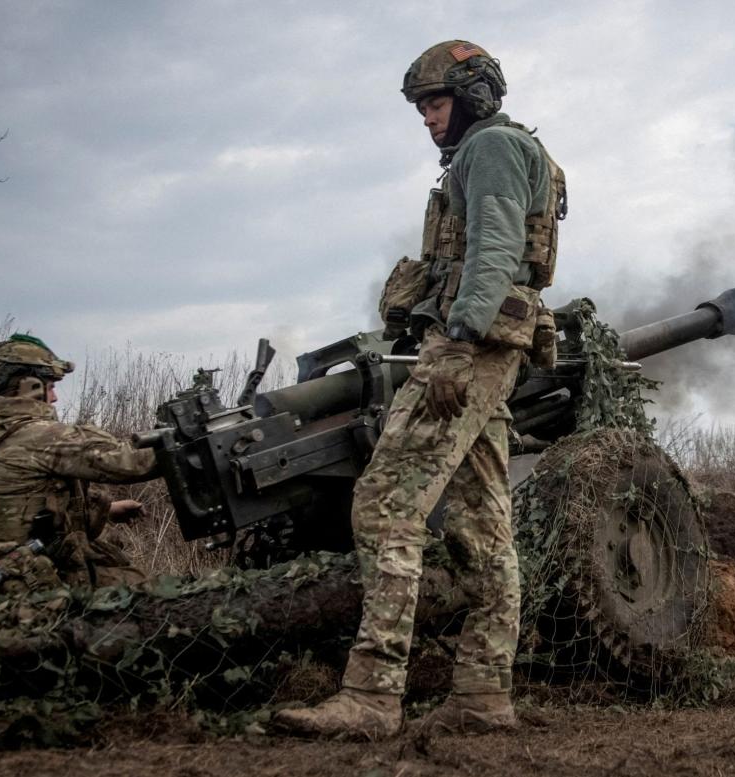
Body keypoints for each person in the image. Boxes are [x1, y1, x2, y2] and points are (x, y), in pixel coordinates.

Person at [275, 40, 566, 740]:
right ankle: (483, 694)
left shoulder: (491, 149)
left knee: (384, 504)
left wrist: (458, 344)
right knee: (483, 526)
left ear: (470, 96)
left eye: (435, 103)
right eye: (422, 107)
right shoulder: (505, 149)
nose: (428, 119)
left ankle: (372, 697)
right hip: (494, 346)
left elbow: (494, 248)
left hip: (471, 345)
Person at [0, 334, 160, 598]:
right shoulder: (35, 434)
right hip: (13, 581)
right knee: (146, 599)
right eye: (50, 386)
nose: (55, 397)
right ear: (30, 386)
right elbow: (132, 462)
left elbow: (6, 507)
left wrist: (106, 509)